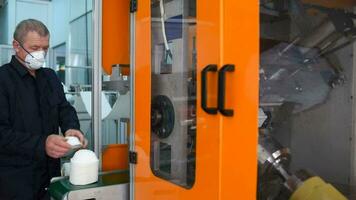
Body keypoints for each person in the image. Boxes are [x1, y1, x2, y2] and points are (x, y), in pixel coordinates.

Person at [0, 19, 86, 199]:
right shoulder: (3, 79)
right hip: (16, 181)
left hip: (50, 175)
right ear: (16, 46)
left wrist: (72, 127)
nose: (40, 53)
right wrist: (42, 144)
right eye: (34, 48)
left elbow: (64, 108)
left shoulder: (50, 77)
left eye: (45, 48)